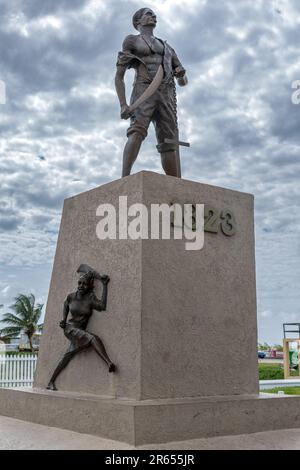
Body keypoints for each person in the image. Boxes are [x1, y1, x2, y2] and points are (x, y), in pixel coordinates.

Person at [115, 7, 188, 178]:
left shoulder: (168, 48)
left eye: (154, 15)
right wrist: (123, 104)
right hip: (143, 90)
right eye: (149, 14)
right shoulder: (131, 41)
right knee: (137, 131)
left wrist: (182, 75)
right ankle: (124, 178)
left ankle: (175, 185)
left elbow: (183, 82)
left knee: (169, 142)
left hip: (166, 94)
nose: (153, 16)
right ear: (138, 21)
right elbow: (119, 77)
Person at [47, 271, 115, 391]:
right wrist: (63, 319)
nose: (80, 285)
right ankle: (108, 363)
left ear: (89, 285)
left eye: (84, 284)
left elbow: (102, 306)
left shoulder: (90, 298)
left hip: (80, 331)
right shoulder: (71, 296)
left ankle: (51, 382)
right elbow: (66, 304)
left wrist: (104, 285)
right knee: (93, 338)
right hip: (70, 329)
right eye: (79, 283)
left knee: (67, 357)